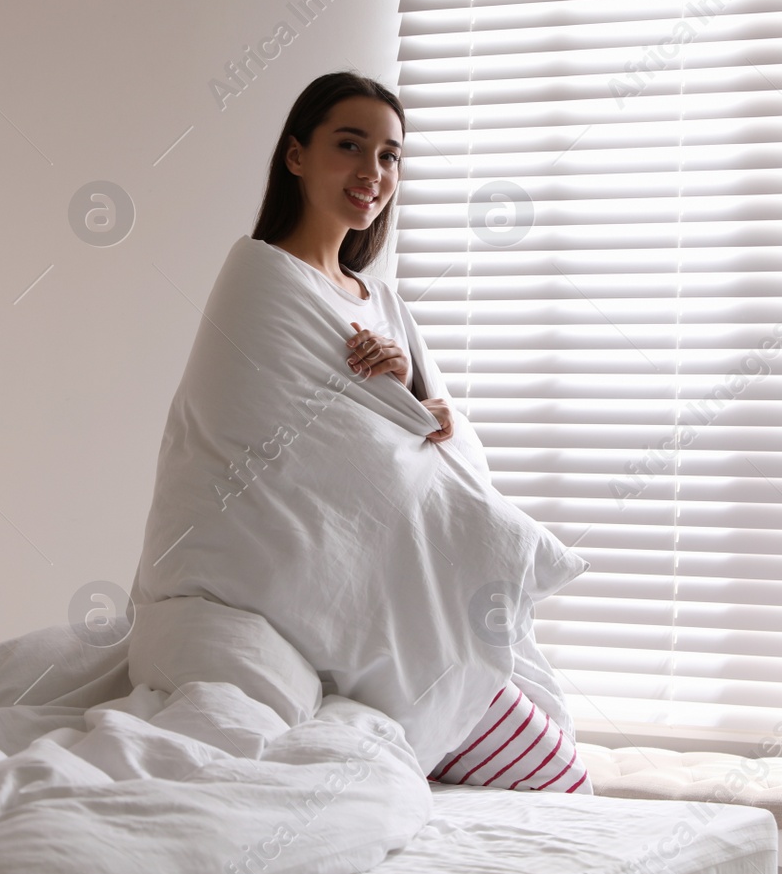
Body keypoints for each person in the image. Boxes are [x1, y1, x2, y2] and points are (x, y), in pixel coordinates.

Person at [247, 72, 589, 795]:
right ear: (297, 155)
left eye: (390, 156)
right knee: (566, 786)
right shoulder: (263, 282)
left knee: (561, 765)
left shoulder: (383, 301)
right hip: (342, 589)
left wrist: (410, 394)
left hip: (416, 596)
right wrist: (392, 411)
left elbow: (449, 447)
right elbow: (293, 448)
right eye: (350, 145)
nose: (373, 173)